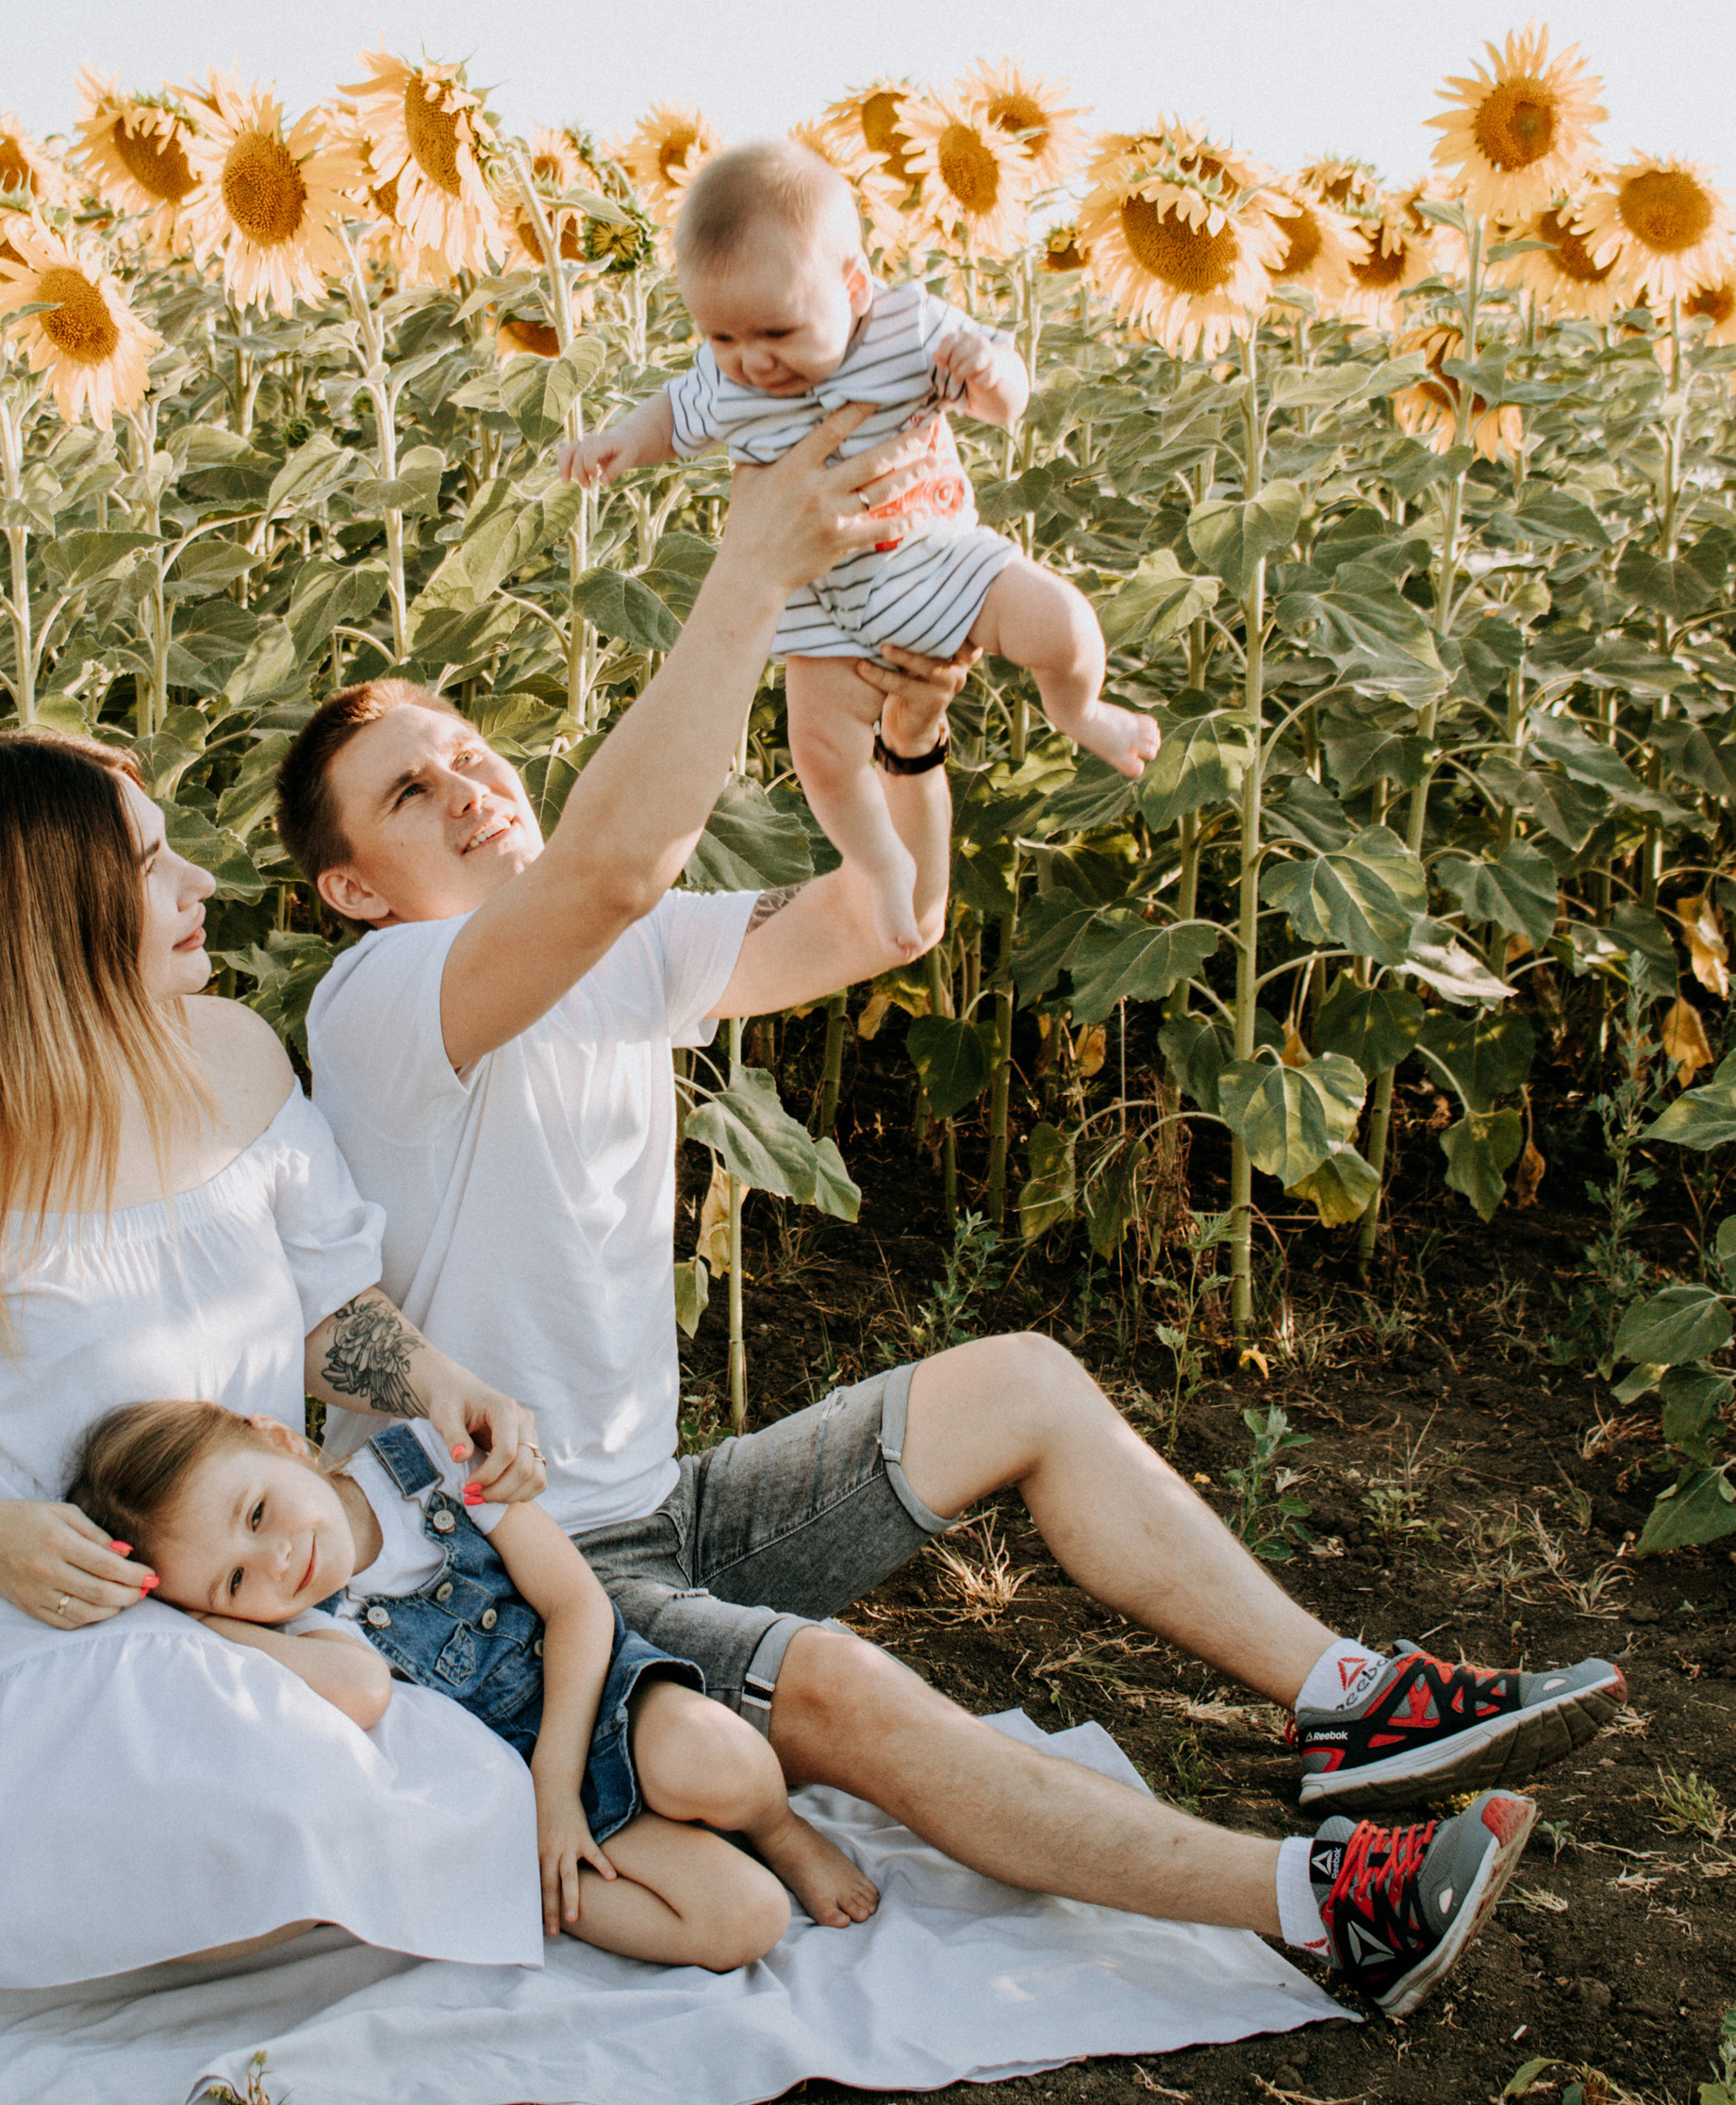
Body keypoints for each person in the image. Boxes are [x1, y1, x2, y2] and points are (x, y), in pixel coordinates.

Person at [281, 483, 1628, 2022]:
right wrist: (753, 571)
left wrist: (901, 747)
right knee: (850, 1693)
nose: (465, 784)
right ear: (351, 889)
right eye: (408, 795)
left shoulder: (618, 955)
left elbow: (889, 921)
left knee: (1030, 1383)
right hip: (514, 1576)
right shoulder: (384, 996)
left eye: (464, 749)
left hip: (657, 1507)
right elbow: (611, 866)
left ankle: (1356, 1708)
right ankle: (1321, 1910)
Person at [0, 727, 561, 2066]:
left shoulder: (234, 1060)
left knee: (366, 1831)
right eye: (154, 865)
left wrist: (437, 1382)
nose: (200, 881)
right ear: (49, 929)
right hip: (1, 1620)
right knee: (271, 1817)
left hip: (222, 1594)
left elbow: (329, 1314)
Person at [560, 138, 1160, 959]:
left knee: (1064, 623)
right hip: (820, 605)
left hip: (938, 559)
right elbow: (673, 411)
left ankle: (1079, 709)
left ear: (854, 286)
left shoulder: (907, 327)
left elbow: (1004, 406)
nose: (751, 361)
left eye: (776, 330)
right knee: (821, 755)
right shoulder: (724, 376)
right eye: (723, 336)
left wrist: (987, 371)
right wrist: (623, 442)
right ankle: (877, 863)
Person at [72, 1395, 879, 1968]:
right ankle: (529, 1887)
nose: (277, 1561)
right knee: (745, 1921)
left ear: (280, 1440)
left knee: (725, 1767)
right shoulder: (312, 1621)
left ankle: (777, 1830)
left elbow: (578, 1606)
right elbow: (361, 1692)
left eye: (256, 1515)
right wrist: (216, 1626)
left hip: (597, 1700)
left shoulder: (425, 1466)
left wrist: (561, 1782)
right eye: (234, 1582)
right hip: (523, 1809)